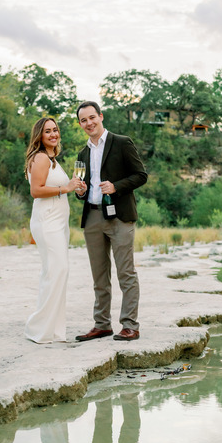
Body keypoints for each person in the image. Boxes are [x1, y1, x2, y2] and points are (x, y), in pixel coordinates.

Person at [74, 101, 147, 342]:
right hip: (92, 216)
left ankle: (130, 325)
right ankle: (101, 324)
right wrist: (81, 192)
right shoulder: (82, 154)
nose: (89, 123)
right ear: (80, 124)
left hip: (119, 216)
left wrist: (116, 186)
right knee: (99, 275)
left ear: (101, 116)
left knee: (126, 272)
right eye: (83, 120)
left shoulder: (122, 142)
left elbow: (140, 175)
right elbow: (81, 188)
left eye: (92, 117)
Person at [24, 117, 81, 344]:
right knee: (58, 271)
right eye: (48, 131)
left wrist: (75, 186)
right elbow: (36, 191)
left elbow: (59, 187)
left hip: (58, 223)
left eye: (55, 130)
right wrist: (65, 188)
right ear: (40, 135)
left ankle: (54, 331)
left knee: (54, 272)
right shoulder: (40, 158)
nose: (53, 134)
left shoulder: (53, 159)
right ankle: (38, 328)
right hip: (47, 222)